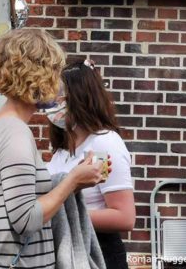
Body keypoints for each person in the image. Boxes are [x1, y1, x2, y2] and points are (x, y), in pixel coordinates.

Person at [0, 28, 105, 269]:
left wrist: (72, 179)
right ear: (37, 75)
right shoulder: (15, 133)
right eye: (55, 71)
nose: (58, 82)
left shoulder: (2, 126)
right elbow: (25, 220)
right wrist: (72, 182)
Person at [47, 59, 136, 269]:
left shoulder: (103, 144)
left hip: (98, 253)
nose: (52, 102)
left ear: (79, 98)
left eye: (59, 95)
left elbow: (124, 217)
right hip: (71, 251)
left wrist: (64, 216)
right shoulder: (63, 150)